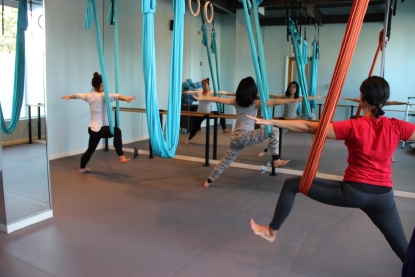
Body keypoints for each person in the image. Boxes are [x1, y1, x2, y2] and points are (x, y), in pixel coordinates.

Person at [248, 76, 415, 262]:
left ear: (362, 98)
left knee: (291, 185)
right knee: (403, 250)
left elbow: (307, 126)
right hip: (384, 197)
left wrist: (273, 122)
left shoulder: (353, 126)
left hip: (355, 192)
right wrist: (387, 150)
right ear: (385, 101)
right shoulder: (397, 126)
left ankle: (272, 231)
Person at [193, 77, 302, 188]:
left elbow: (218, 99)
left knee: (225, 161)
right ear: (253, 91)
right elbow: (274, 102)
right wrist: (293, 100)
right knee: (274, 129)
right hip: (246, 137)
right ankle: (276, 160)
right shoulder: (255, 103)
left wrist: (201, 98)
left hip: (235, 138)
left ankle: (208, 181)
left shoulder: (236, 101)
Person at [62, 72, 136, 173]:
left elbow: (78, 95)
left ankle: (82, 168)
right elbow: (117, 96)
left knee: (90, 150)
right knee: (117, 131)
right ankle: (121, 156)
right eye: (103, 85)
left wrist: (69, 96)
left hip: (92, 129)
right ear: (101, 85)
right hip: (99, 129)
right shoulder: (102, 96)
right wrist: (126, 98)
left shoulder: (89, 96)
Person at [258, 81, 326, 157]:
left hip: (294, 119)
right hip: (285, 120)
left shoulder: (298, 98)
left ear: (296, 89)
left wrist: (324, 96)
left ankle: (314, 133)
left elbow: (312, 97)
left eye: (294, 87)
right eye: (290, 87)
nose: (292, 89)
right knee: (276, 136)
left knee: (312, 115)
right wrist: (260, 94)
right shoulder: (285, 97)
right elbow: (272, 96)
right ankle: (265, 150)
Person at [342, 96, 411, 163]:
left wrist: (404, 103)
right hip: (369, 120)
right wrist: (348, 98)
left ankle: (391, 156)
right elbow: (357, 99)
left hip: (379, 121)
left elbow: (393, 102)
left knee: (385, 139)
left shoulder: (382, 102)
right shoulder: (367, 101)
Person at [183, 78, 234, 144]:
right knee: (195, 127)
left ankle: (224, 129)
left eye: (205, 85)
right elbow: (190, 92)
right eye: (202, 85)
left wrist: (231, 94)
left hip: (208, 113)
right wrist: (183, 93)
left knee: (221, 113)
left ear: (208, 85)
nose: (203, 86)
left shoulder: (211, 92)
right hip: (200, 114)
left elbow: (221, 92)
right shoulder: (199, 92)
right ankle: (188, 140)